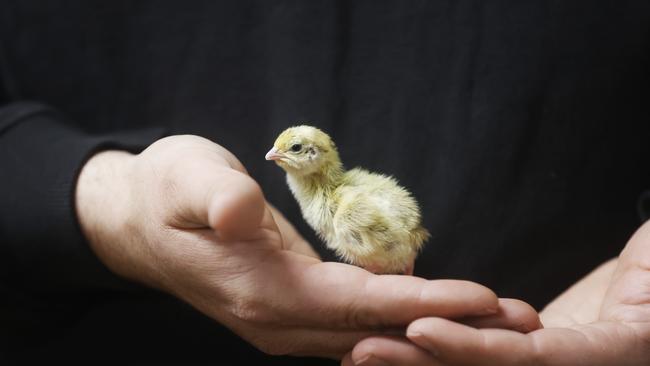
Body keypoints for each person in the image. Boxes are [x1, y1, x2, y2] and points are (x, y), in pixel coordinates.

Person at [1, 2, 650, 365]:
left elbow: (385, 223)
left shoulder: (342, 195)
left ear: (320, 156)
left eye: (295, 151)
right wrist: (96, 201)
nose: (278, 158)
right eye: (284, 151)